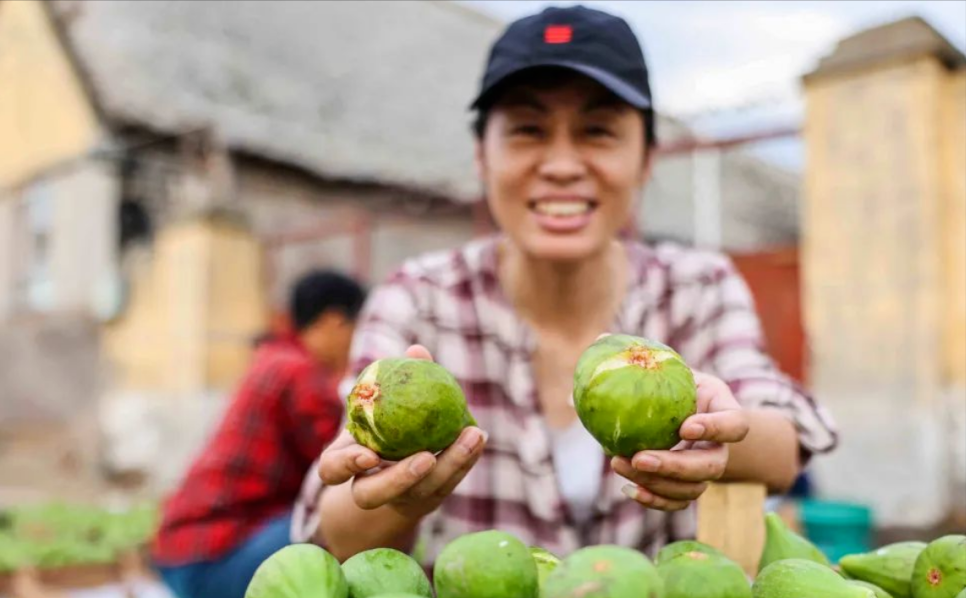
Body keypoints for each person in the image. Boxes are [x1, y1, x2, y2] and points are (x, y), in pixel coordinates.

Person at [292, 5, 838, 565]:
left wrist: (727, 433)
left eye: (597, 131)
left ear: (647, 159)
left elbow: (786, 446)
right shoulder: (416, 298)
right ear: (482, 156)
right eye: (528, 130)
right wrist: (396, 497)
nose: (561, 164)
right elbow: (333, 536)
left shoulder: (698, 286)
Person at [151, 269, 366, 598]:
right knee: (344, 523)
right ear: (335, 322)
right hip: (209, 562)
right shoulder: (299, 373)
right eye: (357, 329)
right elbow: (341, 468)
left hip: (179, 553)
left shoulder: (274, 357)